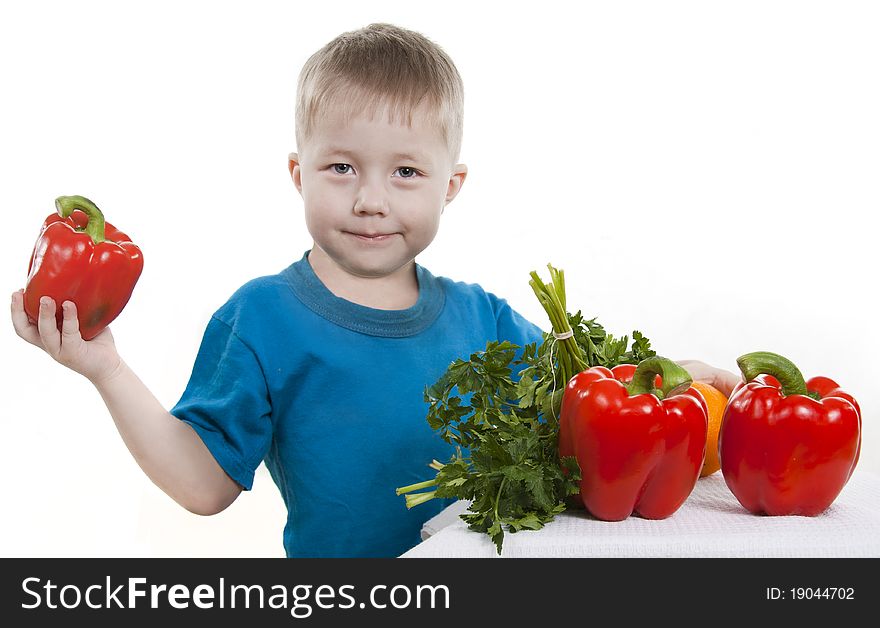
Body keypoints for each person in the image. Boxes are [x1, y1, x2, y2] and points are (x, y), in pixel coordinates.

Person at [10, 23, 738, 558]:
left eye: (406, 173)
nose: (370, 199)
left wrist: (677, 376)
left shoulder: (485, 319)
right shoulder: (261, 318)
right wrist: (105, 369)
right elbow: (204, 488)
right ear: (299, 174)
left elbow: (591, 401)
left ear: (451, 188)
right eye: (341, 168)